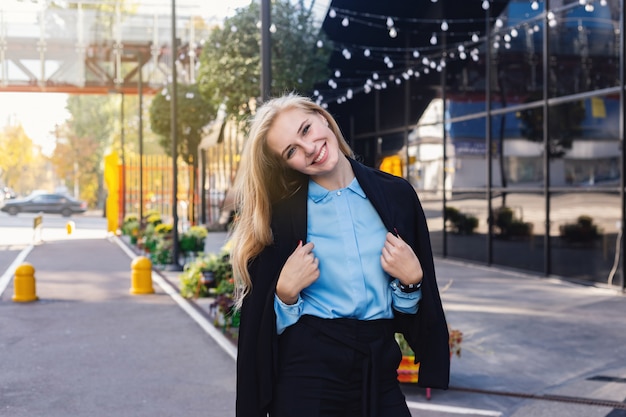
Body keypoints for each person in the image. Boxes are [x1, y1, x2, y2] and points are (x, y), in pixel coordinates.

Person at [230, 93, 450, 417]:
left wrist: (411, 283)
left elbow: (409, 317)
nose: (309, 148)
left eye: (306, 129)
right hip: (308, 374)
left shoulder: (397, 195)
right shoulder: (278, 219)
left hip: (379, 368)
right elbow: (258, 329)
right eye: (291, 150)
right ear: (285, 163)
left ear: (322, 117)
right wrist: (285, 295)